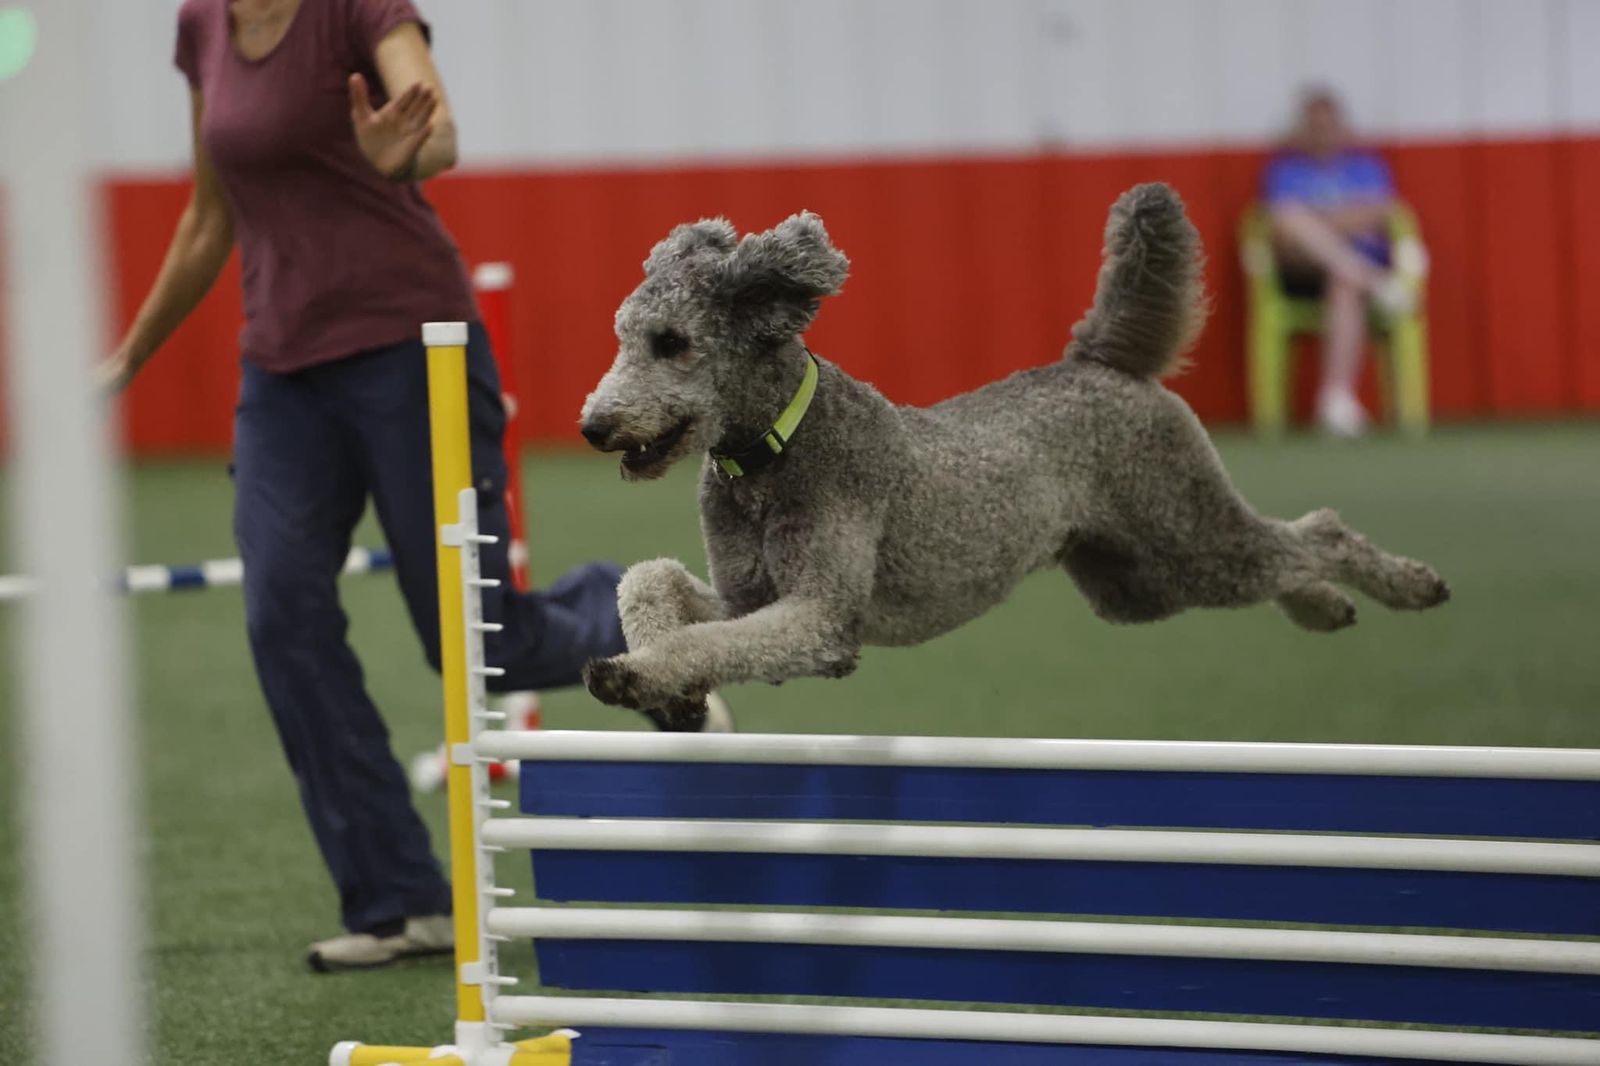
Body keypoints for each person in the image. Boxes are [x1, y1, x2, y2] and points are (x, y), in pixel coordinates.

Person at [102, 0, 677, 972]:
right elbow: (210, 214)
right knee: (282, 615)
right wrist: (127, 358)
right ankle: (399, 897)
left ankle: (643, 622)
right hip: (282, 376)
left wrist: (401, 154)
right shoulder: (202, 24)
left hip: (411, 349)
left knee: (476, 639)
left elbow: (437, 131)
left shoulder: (354, 10)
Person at [1263, 88, 1412, 437]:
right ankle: (1373, 282)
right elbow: (1281, 226)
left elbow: (1377, 213)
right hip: (1301, 271)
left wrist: (1316, 221)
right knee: (1290, 219)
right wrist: (1339, 219)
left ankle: (1336, 399)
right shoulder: (1284, 171)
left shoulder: (1367, 167)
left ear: (1341, 127)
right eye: (1314, 126)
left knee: (1344, 284)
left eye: (1328, 125)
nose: (1322, 133)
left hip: (1347, 269)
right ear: (1302, 129)